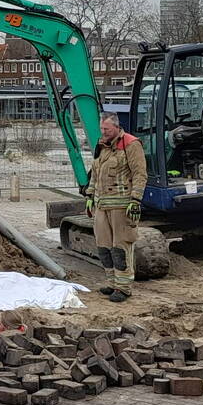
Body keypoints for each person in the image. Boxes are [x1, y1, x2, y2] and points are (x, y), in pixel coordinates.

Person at [85, 112, 148, 303]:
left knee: (121, 248)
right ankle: (112, 282)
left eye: (107, 129)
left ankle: (124, 287)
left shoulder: (130, 144)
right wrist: (90, 195)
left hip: (122, 206)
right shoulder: (102, 145)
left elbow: (140, 174)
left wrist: (135, 200)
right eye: (101, 129)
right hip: (102, 205)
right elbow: (96, 173)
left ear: (116, 127)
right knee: (104, 247)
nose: (103, 132)